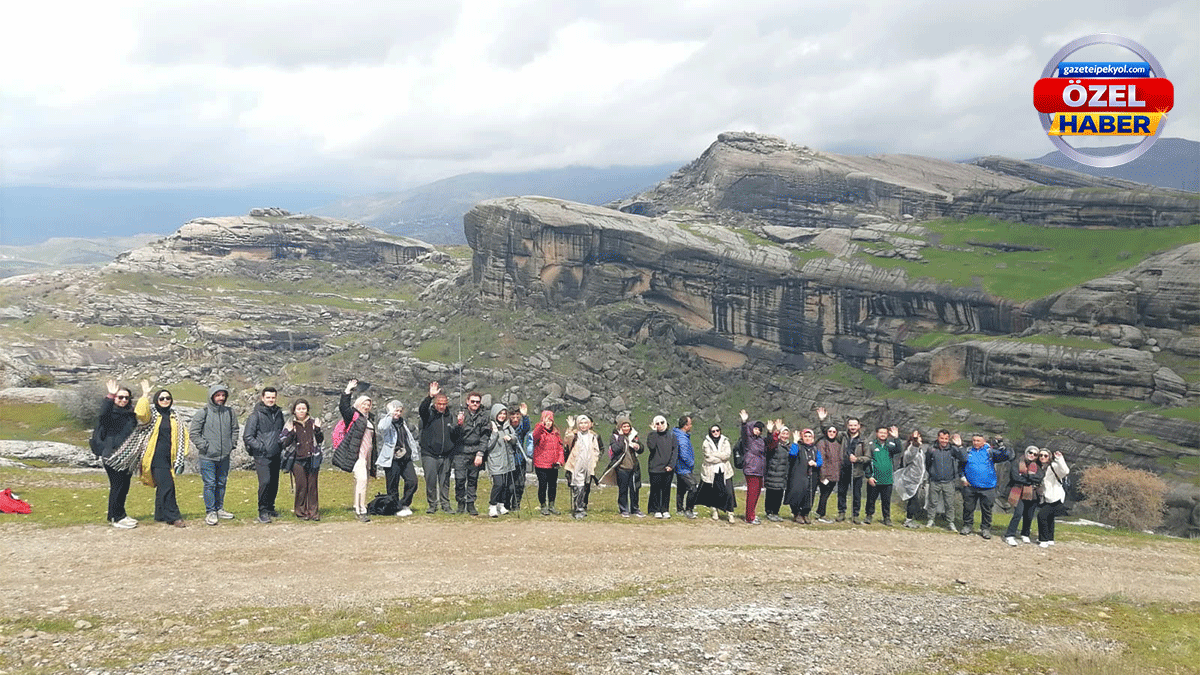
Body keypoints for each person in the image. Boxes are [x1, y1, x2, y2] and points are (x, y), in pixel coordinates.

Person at [108, 379, 189, 527]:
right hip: (153, 456)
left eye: (168, 398)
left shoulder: (175, 416)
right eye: (161, 398)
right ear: (156, 400)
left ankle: (160, 515)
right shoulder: (152, 414)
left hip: (168, 457)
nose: (165, 400)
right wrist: (145, 394)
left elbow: (183, 435)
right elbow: (140, 413)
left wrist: (181, 455)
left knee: (163, 485)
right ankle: (173, 516)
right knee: (168, 485)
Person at [90, 379, 138, 529]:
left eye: (126, 398)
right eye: (120, 397)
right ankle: (115, 517)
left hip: (127, 456)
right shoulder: (110, 413)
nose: (123, 400)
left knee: (124, 486)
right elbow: (103, 414)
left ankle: (120, 514)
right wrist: (109, 396)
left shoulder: (130, 414)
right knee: (117, 485)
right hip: (111, 455)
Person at [190, 383, 239, 526]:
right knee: (210, 484)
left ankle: (220, 508)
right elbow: (194, 432)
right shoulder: (203, 412)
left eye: (223, 395)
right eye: (218, 395)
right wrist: (204, 446)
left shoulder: (230, 412)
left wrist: (232, 444)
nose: (221, 398)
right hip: (207, 457)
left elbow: (235, 429)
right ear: (212, 396)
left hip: (224, 456)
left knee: (222, 483)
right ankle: (210, 511)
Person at [956, 432, 1010, 539]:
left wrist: (1001, 445)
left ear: (984, 441)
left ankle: (985, 528)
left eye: (978, 441)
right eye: (974, 440)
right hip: (970, 486)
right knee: (968, 507)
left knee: (987, 509)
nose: (975, 443)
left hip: (988, 486)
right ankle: (967, 526)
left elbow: (1005, 456)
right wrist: (962, 478)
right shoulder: (968, 451)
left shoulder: (990, 451)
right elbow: (960, 465)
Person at [817, 408, 867, 523]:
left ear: (859, 426)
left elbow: (868, 457)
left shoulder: (863, 440)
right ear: (847, 426)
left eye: (855, 425)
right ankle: (841, 513)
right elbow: (828, 431)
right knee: (841, 493)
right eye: (850, 425)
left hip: (857, 471)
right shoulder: (842, 436)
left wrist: (858, 459)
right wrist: (823, 420)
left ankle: (855, 515)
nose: (853, 427)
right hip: (843, 469)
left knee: (856, 494)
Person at [243, 386, 285, 523]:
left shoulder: (279, 413)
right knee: (265, 482)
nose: (271, 400)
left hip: (276, 453)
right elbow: (248, 436)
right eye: (268, 397)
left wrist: (281, 445)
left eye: (273, 397)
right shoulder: (255, 416)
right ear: (262, 398)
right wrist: (261, 447)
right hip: (262, 455)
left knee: (274, 483)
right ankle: (262, 511)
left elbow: (282, 431)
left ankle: (270, 508)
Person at [419, 381, 460, 514]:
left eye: (444, 404)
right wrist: (429, 396)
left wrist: (459, 426)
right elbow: (422, 409)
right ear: (435, 404)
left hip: (446, 455)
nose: (442, 407)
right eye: (439, 404)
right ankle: (432, 505)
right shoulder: (428, 415)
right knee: (431, 481)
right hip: (429, 454)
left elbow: (455, 435)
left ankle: (446, 505)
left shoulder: (450, 416)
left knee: (445, 482)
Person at [338, 380, 376, 522]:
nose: (366, 407)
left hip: (367, 455)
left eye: (368, 405)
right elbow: (343, 407)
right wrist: (348, 390)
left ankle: (359, 505)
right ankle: (361, 510)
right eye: (363, 404)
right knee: (362, 480)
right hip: (356, 455)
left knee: (363, 482)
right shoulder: (353, 417)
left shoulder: (369, 419)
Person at [279, 398, 323, 521]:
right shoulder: (290, 424)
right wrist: (292, 434)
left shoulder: (314, 422)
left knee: (312, 486)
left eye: (303, 408)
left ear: (307, 410)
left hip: (312, 457)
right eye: (299, 409)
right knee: (301, 485)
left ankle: (313, 512)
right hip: (297, 459)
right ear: (294, 411)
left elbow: (320, 440)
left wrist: (318, 430)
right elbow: (283, 443)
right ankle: (301, 512)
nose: (301, 411)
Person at [376, 400, 418, 518]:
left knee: (412, 481)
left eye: (400, 411)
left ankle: (404, 504)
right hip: (391, 458)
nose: (398, 413)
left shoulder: (403, 423)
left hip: (405, 457)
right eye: (396, 410)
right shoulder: (387, 422)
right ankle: (395, 508)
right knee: (392, 485)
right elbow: (381, 427)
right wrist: (390, 413)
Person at [476, 403, 518, 518]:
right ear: (495, 413)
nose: (502, 416)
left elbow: (515, 438)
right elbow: (487, 445)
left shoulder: (507, 426)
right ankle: (492, 506)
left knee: (505, 484)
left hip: (507, 459)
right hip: (495, 460)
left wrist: (511, 438)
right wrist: (494, 434)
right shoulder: (489, 427)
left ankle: (501, 504)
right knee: (498, 484)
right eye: (500, 413)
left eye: (504, 413)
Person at [454, 391, 490, 516]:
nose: (475, 404)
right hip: (460, 451)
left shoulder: (484, 416)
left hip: (475, 452)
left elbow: (485, 437)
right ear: (467, 402)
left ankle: (470, 504)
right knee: (459, 479)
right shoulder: (460, 414)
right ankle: (460, 503)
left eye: (477, 402)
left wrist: (480, 453)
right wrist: (458, 424)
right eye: (473, 401)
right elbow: (453, 434)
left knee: (473, 480)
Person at [1004, 446, 1045, 546]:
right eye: (1030, 452)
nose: (1032, 455)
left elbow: (1039, 477)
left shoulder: (1037, 466)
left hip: (1033, 493)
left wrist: (1025, 476)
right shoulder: (1017, 462)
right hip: (1018, 491)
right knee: (1018, 513)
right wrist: (1030, 479)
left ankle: (1025, 534)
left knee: (1029, 515)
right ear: (1026, 452)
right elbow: (1015, 477)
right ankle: (1010, 535)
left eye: (1035, 454)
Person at [863, 426, 903, 526]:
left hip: (887, 479)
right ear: (876, 433)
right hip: (874, 478)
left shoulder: (890, 445)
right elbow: (867, 462)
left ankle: (886, 518)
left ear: (887, 434)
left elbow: (899, 449)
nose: (883, 434)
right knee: (871, 499)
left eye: (885, 433)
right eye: (881, 432)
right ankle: (868, 515)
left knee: (886, 500)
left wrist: (896, 438)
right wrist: (868, 476)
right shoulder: (871, 445)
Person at [696, 423, 736, 523]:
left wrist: (716, 455)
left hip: (725, 470)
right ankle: (715, 510)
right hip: (712, 471)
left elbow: (727, 455)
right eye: (713, 431)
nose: (716, 433)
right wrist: (720, 457)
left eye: (717, 430)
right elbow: (708, 457)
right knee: (715, 492)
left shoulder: (725, 441)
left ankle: (730, 512)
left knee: (728, 492)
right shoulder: (706, 442)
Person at [563, 414, 600, 519]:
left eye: (585, 423)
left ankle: (582, 507)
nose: (583, 425)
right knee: (578, 487)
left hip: (587, 464)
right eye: (581, 423)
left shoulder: (592, 436)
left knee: (584, 487)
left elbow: (596, 450)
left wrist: (594, 462)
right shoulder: (575, 435)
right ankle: (578, 509)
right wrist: (570, 427)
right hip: (576, 464)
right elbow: (567, 440)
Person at [605, 415, 644, 517]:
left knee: (634, 489)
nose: (626, 428)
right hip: (622, 467)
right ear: (620, 427)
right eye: (624, 426)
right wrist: (622, 437)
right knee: (623, 489)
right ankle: (624, 509)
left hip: (634, 467)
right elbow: (616, 449)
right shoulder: (615, 437)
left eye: (628, 426)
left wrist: (637, 447)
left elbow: (642, 449)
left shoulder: (634, 436)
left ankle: (635, 509)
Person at [924, 430, 961, 531]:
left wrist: (959, 446)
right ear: (938, 438)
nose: (944, 441)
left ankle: (950, 522)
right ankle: (931, 520)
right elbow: (927, 463)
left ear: (949, 439)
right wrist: (932, 473)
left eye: (946, 439)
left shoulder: (952, 450)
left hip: (949, 481)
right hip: (934, 480)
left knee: (949, 504)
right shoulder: (931, 449)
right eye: (942, 438)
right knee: (932, 502)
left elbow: (963, 458)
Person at [532, 410, 565, 515]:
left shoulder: (556, 433)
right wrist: (542, 425)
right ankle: (543, 505)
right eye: (546, 420)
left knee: (553, 486)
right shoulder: (539, 432)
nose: (548, 423)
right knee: (542, 485)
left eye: (550, 420)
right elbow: (534, 436)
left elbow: (560, 448)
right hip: (541, 464)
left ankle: (552, 505)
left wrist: (560, 460)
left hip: (553, 464)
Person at [785, 429, 822, 524]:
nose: (808, 438)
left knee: (809, 495)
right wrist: (795, 442)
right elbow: (792, 454)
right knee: (797, 493)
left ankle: (805, 513)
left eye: (810, 437)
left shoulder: (815, 449)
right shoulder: (798, 447)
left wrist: (815, 463)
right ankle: (796, 514)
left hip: (811, 475)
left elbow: (820, 461)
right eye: (806, 436)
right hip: (798, 474)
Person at [738, 410, 768, 525]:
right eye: (756, 428)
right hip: (751, 470)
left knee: (756, 494)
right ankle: (749, 517)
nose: (758, 431)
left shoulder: (761, 440)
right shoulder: (748, 440)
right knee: (752, 493)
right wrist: (744, 422)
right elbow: (744, 433)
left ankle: (752, 514)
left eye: (760, 429)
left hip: (759, 470)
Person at [645, 415, 678, 519]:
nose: (660, 425)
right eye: (657, 423)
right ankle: (656, 509)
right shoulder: (652, 435)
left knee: (666, 490)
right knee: (655, 490)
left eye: (662, 422)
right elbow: (652, 447)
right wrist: (654, 432)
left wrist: (671, 465)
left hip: (668, 468)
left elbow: (675, 451)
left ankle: (665, 509)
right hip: (655, 468)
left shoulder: (672, 436)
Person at [893, 430, 927, 529]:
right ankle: (908, 520)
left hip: (917, 479)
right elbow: (912, 452)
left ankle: (911, 519)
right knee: (913, 500)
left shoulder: (920, 450)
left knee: (916, 501)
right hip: (910, 480)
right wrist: (915, 442)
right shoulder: (911, 450)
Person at [1037, 449, 1069, 548]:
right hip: (1047, 497)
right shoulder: (1040, 468)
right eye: (1041, 455)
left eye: (1045, 456)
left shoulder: (1053, 466)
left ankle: (1043, 540)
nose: (1043, 457)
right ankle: (1050, 539)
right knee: (1049, 517)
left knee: (1041, 516)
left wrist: (1059, 458)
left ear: (1049, 457)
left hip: (1056, 496)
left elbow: (1065, 471)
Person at [813, 424, 841, 523]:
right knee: (824, 495)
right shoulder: (822, 443)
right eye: (830, 431)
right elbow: (822, 460)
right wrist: (823, 475)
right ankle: (820, 514)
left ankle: (820, 512)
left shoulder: (838, 444)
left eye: (834, 432)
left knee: (826, 495)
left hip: (834, 474)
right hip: (825, 475)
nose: (832, 433)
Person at [506, 403, 531, 512]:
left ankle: (516, 505)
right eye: (513, 417)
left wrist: (525, 416)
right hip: (507, 459)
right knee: (508, 485)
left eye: (517, 416)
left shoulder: (521, 428)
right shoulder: (506, 428)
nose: (515, 419)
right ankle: (506, 504)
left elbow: (526, 428)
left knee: (519, 484)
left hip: (520, 460)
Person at [763, 420, 790, 522]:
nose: (785, 435)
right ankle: (769, 512)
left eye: (787, 433)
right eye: (783, 433)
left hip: (782, 475)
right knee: (771, 493)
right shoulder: (774, 444)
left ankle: (776, 512)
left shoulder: (788, 446)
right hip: (773, 473)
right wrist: (776, 431)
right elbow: (771, 443)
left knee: (779, 495)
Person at [672, 416, 698, 519]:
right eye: (690, 424)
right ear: (685, 426)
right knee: (693, 487)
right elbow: (683, 453)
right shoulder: (682, 438)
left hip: (680, 467)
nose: (691, 426)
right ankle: (689, 509)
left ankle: (679, 509)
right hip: (684, 468)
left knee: (681, 489)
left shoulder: (679, 435)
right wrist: (691, 463)